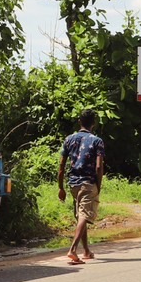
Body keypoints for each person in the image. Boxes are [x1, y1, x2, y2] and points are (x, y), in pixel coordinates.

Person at [58, 108, 105, 264]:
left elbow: (61, 166)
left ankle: (86, 251)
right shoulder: (97, 141)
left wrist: (61, 187)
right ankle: (72, 250)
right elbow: (99, 167)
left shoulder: (69, 139)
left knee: (81, 216)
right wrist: (98, 185)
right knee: (84, 215)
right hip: (88, 183)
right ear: (94, 124)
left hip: (73, 184)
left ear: (80, 122)